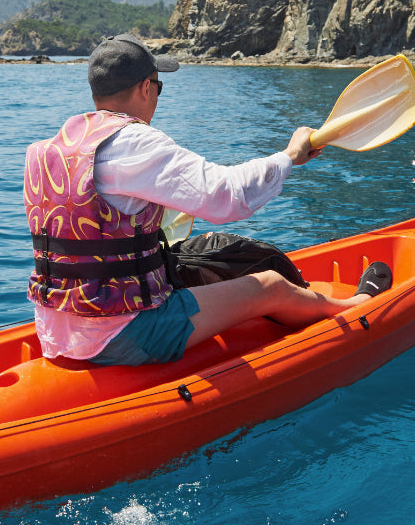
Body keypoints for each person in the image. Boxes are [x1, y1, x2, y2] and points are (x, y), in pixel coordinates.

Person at [24, 34, 375, 366]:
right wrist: (289, 156)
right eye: (159, 87)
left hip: (54, 333)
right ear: (146, 88)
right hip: (120, 334)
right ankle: (354, 306)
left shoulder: (47, 150)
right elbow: (227, 198)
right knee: (269, 285)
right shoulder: (134, 142)